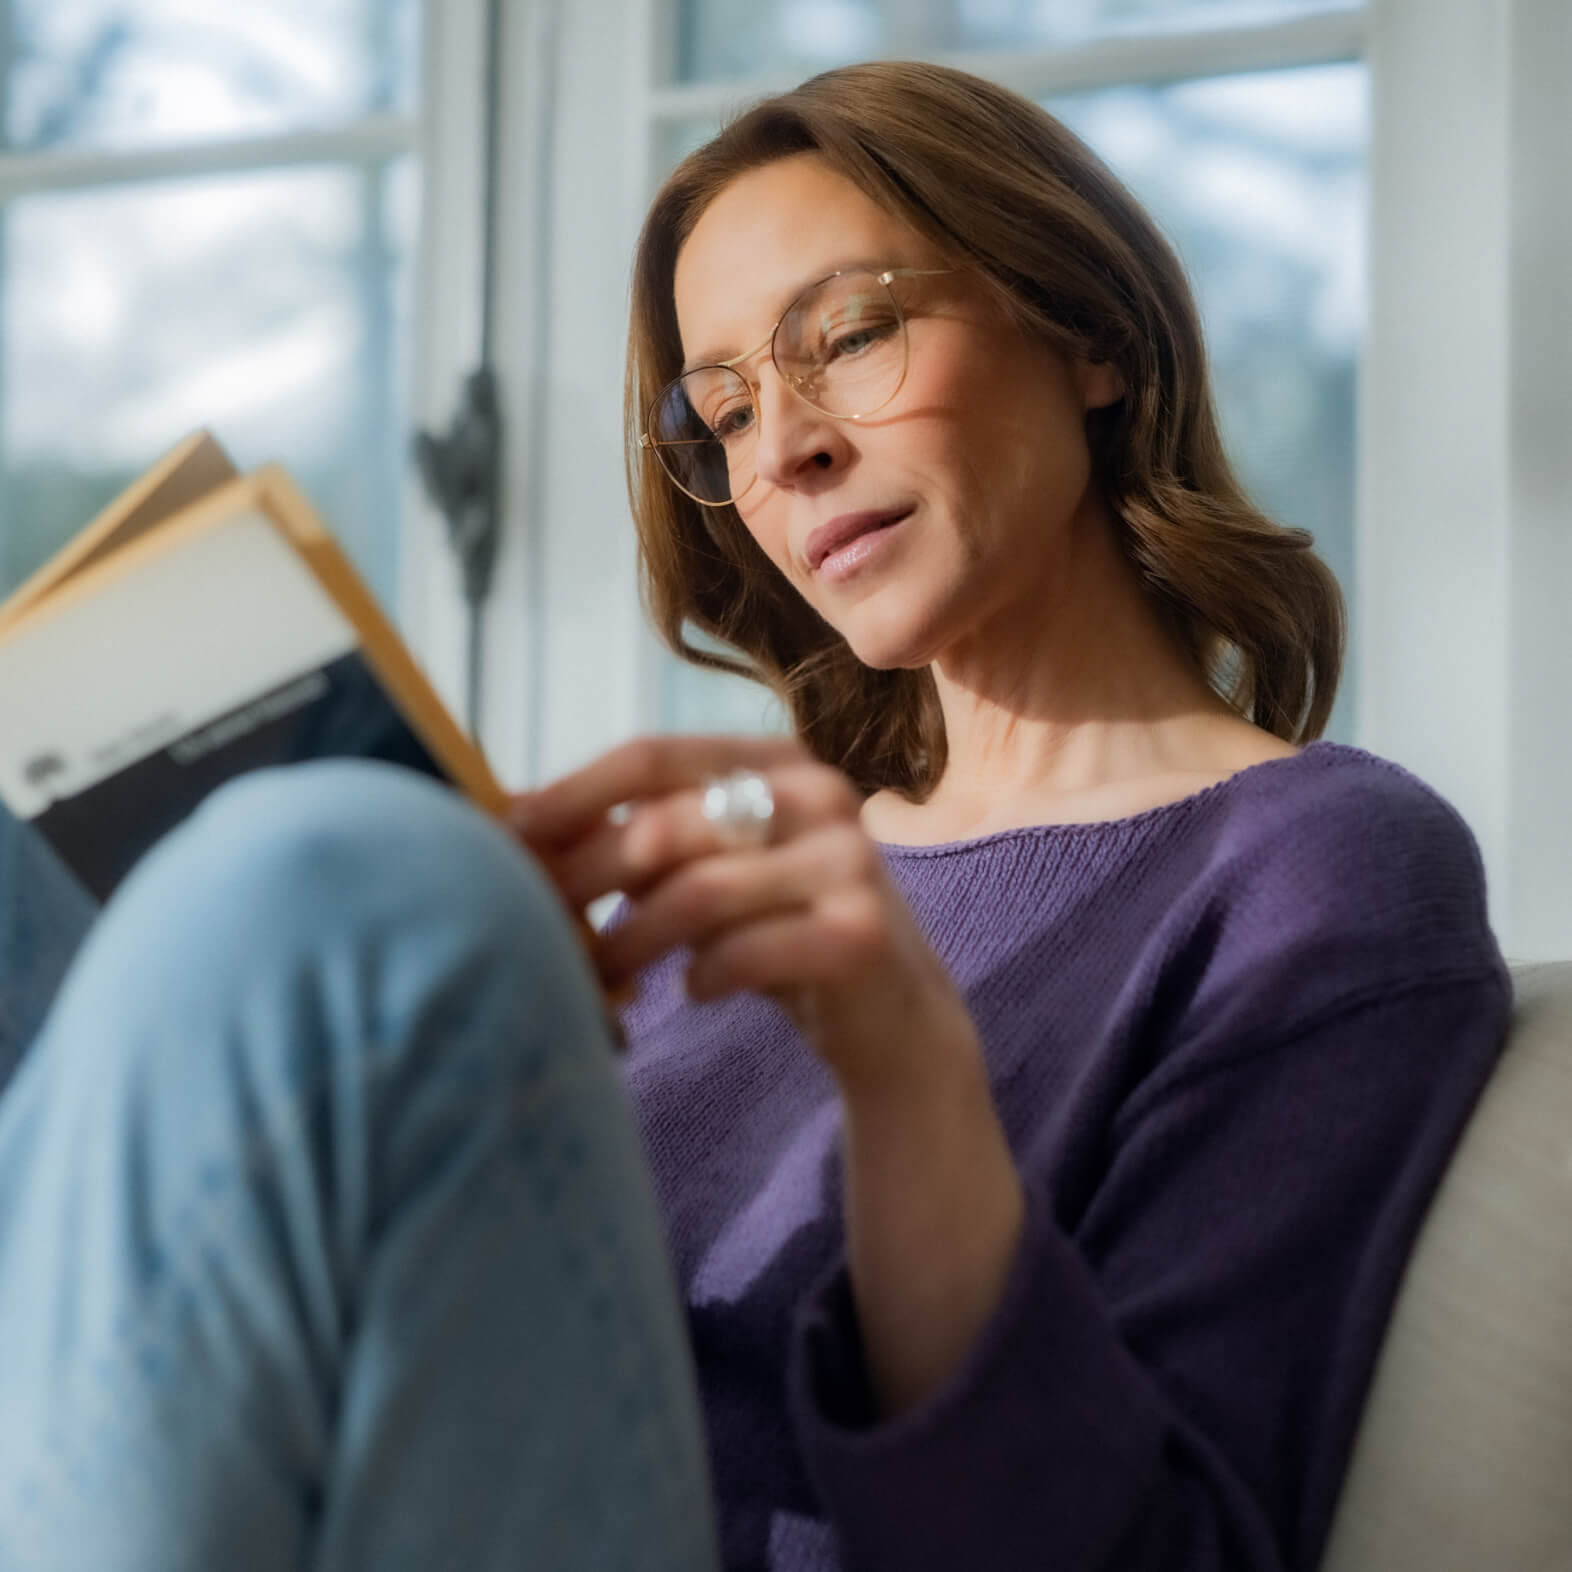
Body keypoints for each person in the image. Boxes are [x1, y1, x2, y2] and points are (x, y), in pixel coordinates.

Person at [0, 59, 1508, 1572]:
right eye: (722, 410)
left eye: (847, 336)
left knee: (343, 873)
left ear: (1095, 335)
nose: (782, 448)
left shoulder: (1316, 869)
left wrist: (908, 1070)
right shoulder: (743, 887)